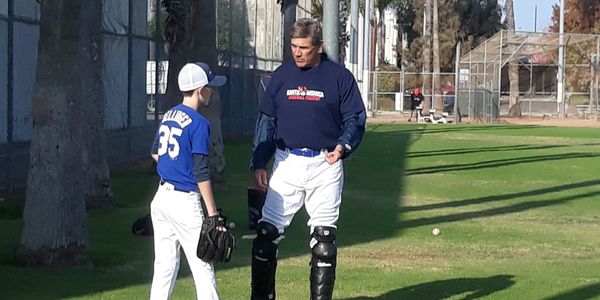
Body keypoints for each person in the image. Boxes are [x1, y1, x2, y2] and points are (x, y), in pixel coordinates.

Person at [250, 18, 366, 300]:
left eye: (303, 47)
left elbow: (355, 119)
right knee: (265, 238)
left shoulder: (339, 77)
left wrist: (343, 147)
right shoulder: (281, 76)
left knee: (324, 242)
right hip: (287, 162)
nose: (297, 52)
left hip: (325, 165)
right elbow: (267, 120)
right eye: (293, 46)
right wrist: (258, 161)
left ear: (319, 46)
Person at [149, 62, 227, 300]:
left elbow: (155, 153)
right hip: (184, 201)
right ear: (200, 89)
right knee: (203, 265)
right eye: (210, 87)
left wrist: (174, 167)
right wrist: (212, 213)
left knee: (164, 266)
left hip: (161, 198)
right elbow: (201, 172)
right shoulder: (199, 123)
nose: (212, 91)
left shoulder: (169, 114)